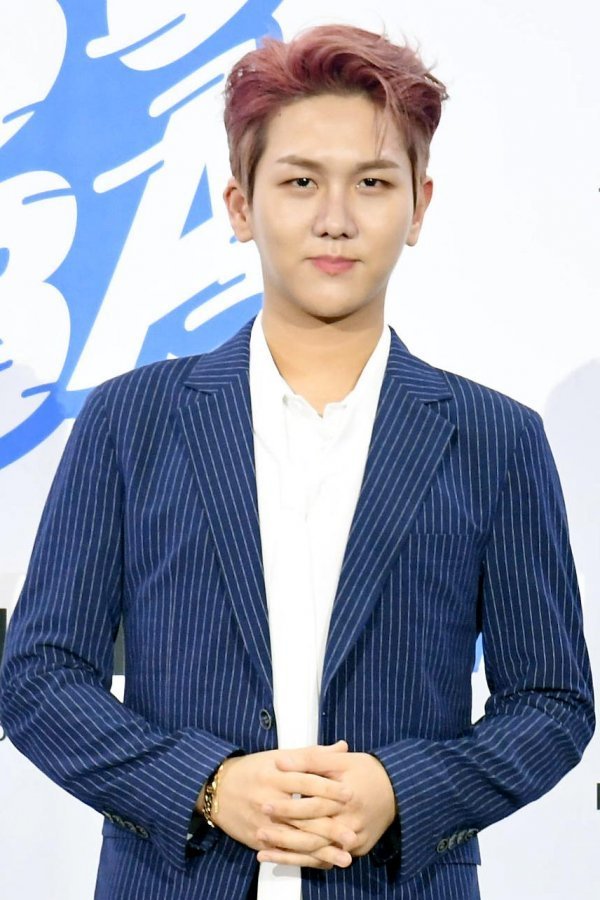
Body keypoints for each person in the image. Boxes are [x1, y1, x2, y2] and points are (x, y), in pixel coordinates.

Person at [0, 24, 594, 900]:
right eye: (300, 181)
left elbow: (550, 701)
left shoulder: (494, 439)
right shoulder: (131, 420)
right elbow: (39, 676)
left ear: (419, 207)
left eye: (373, 182)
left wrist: (402, 789)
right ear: (240, 206)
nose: (335, 218)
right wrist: (206, 786)